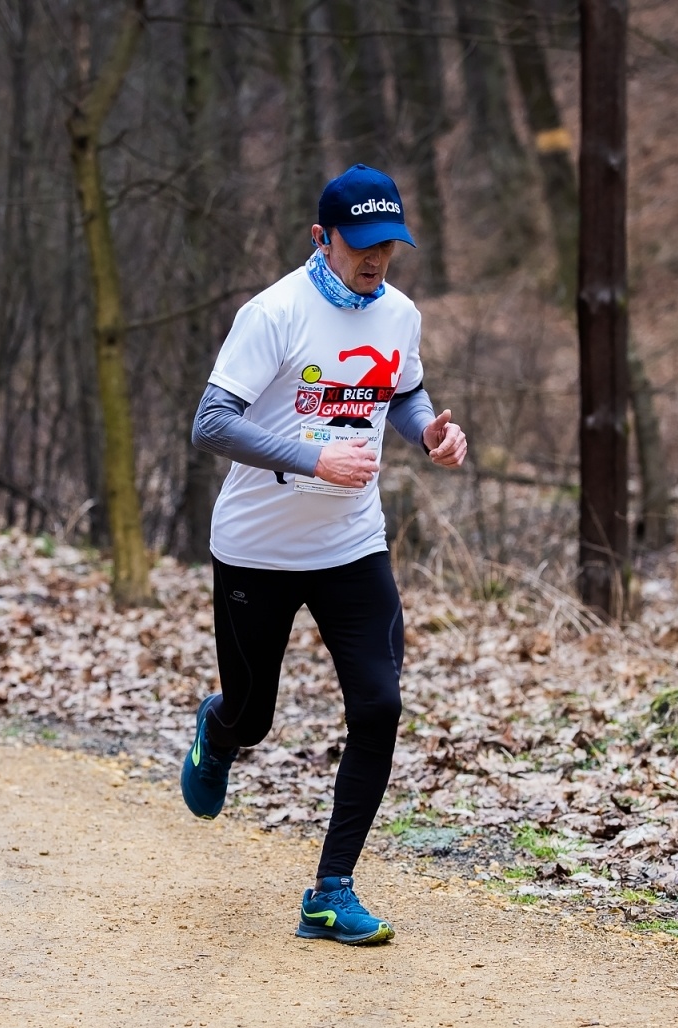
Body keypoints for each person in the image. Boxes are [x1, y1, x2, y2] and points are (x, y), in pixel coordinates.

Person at [183, 165, 467, 945]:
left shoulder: (399, 314)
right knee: (255, 716)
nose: (376, 260)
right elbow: (210, 424)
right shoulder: (273, 314)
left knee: (379, 706)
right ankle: (220, 726)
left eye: (389, 246)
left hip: (351, 545)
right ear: (322, 237)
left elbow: (401, 392)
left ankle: (330, 890)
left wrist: (429, 435)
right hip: (257, 551)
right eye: (361, 244)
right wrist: (314, 459)